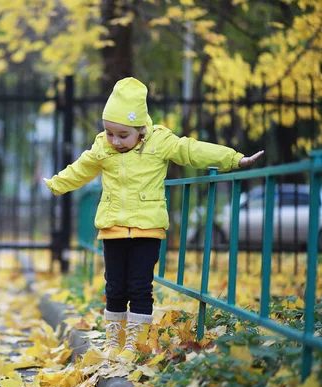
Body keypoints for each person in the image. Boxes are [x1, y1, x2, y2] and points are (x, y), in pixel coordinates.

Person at [43, 77, 263, 361]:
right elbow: (81, 169)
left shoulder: (160, 141)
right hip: (113, 227)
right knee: (115, 286)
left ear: (141, 129)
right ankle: (114, 338)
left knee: (139, 285)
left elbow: (192, 150)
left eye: (123, 135)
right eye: (110, 133)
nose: (115, 141)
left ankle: (135, 342)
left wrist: (234, 159)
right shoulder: (103, 146)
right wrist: (57, 184)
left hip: (148, 228)